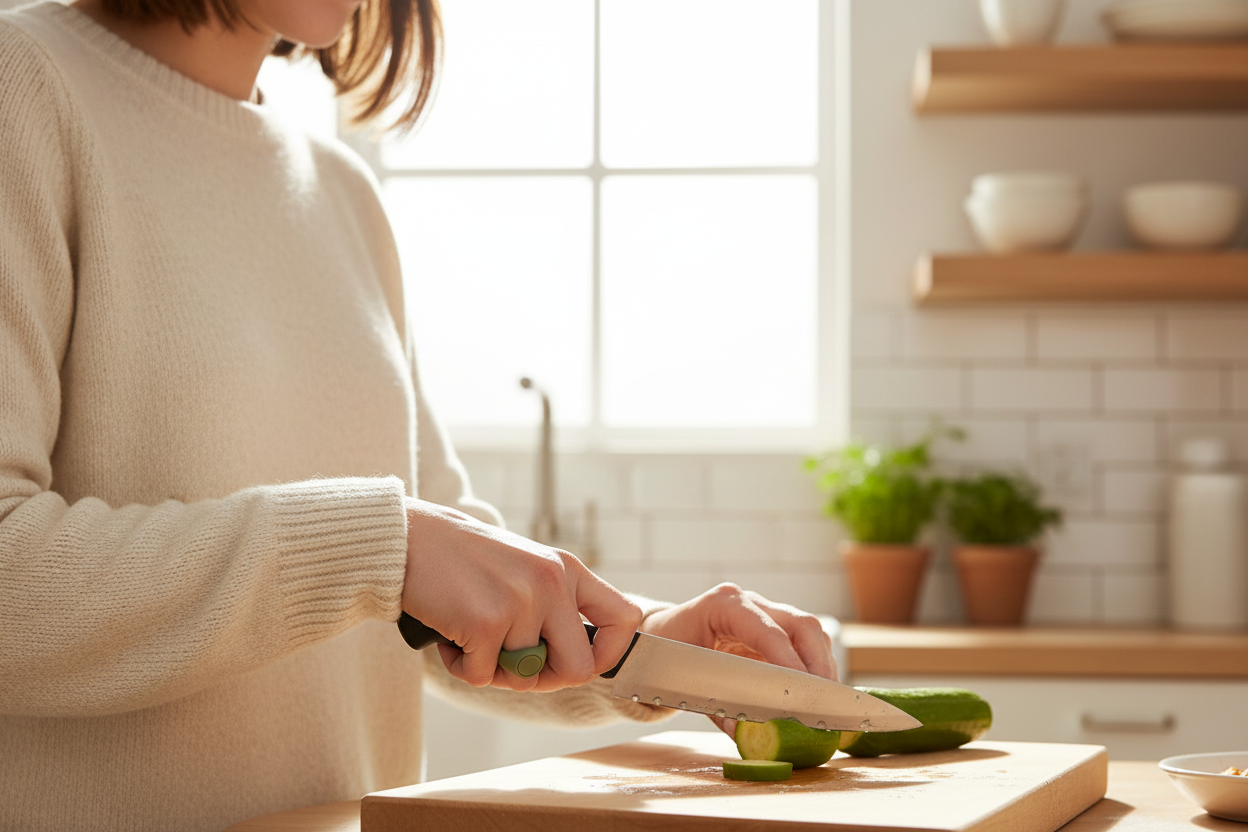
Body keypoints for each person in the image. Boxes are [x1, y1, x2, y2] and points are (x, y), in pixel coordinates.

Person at [0, 1, 837, 830]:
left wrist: (648, 645)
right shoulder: (22, 85)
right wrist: (379, 547)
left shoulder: (342, 193)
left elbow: (426, 593)